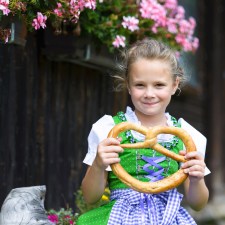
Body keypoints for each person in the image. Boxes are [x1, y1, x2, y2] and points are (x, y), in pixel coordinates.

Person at [76, 39, 209, 225]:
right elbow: (91, 197)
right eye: (140, 85)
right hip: (119, 216)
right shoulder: (107, 129)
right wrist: (98, 165)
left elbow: (198, 204)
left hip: (168, 217)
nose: (149, 93)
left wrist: (196, 179)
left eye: (159, 85)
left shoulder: (189, 136)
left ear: (174, 84)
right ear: (128, 85)